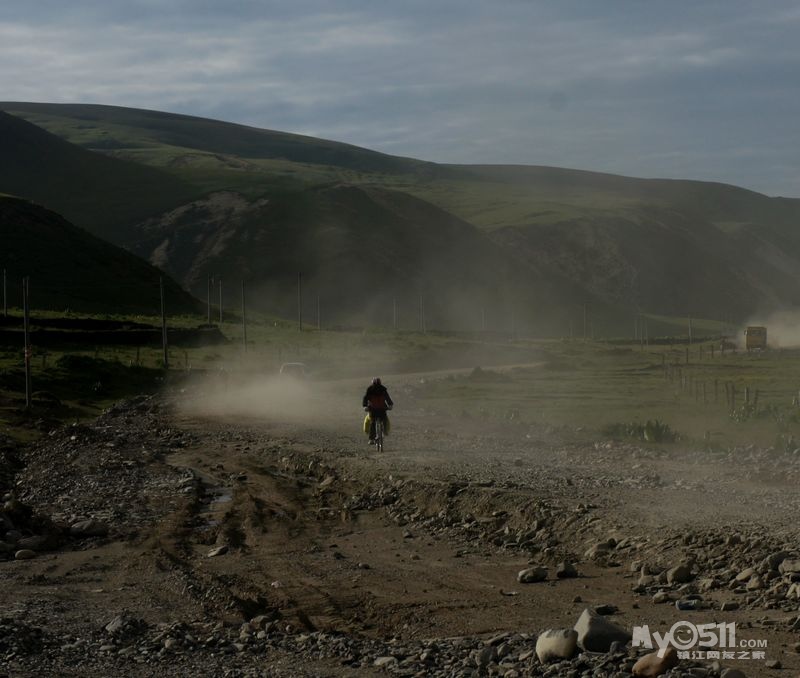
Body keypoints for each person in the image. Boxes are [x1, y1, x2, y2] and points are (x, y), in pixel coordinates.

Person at [362, 377, 393, 444]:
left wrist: (365, 406)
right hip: (381, 409)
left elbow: (365, 398)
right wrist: (390, 405)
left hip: (374, 409)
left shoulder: (370, 389)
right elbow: (387, 398)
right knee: (382, 420)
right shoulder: (383, 389)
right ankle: (384, 432)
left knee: (373, 423)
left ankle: (372, 439)